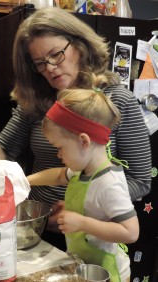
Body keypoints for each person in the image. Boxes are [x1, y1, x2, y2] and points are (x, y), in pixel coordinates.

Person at [0, 7, 151, 250]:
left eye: (55, 55)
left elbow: (140, 179)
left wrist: (84, 204)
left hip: (92, 233)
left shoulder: (118, 101)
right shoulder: (37, 103)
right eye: (39, 63)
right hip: (36, 227)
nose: (50, 68)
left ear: (79, 46)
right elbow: (3, 149)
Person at [27, 75, 139, 282]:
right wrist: (26, 181)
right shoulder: (84, 170)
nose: (58, 155)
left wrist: (82, 222)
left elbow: (130, 232)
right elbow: (59, 175)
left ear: (83, 141)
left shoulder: (108, 183)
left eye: (59, 148)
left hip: (111, 272)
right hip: (87, 266)